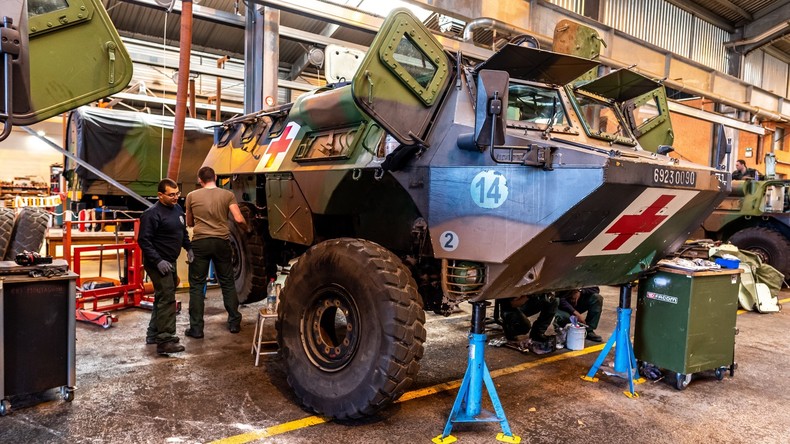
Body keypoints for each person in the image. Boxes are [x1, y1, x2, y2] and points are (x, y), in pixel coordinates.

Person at [184, 166, 246, 337]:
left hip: (200, 243)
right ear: (216, 177)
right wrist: (247, 229)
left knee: (197, 286)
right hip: (221, 242)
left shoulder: (191, 196)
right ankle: (234, 323)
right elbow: (239, 218)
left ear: (199, 180)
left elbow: (189, 222)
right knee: (227, 282)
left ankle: (196, 329)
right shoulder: (227, 195)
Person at [138, 178, 192, 355]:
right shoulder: (151, 214)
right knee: (168, 299)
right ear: (160, 195)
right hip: (157, 263)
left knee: (162, 297)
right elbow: (143, 241)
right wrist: (158, 261)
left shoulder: (177, 209)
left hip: (170, 261)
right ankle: (165, 340)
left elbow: (182, 231)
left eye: (177, 193)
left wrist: (189, 247)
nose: (176, 197)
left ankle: (154, 334)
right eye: (171, 195)